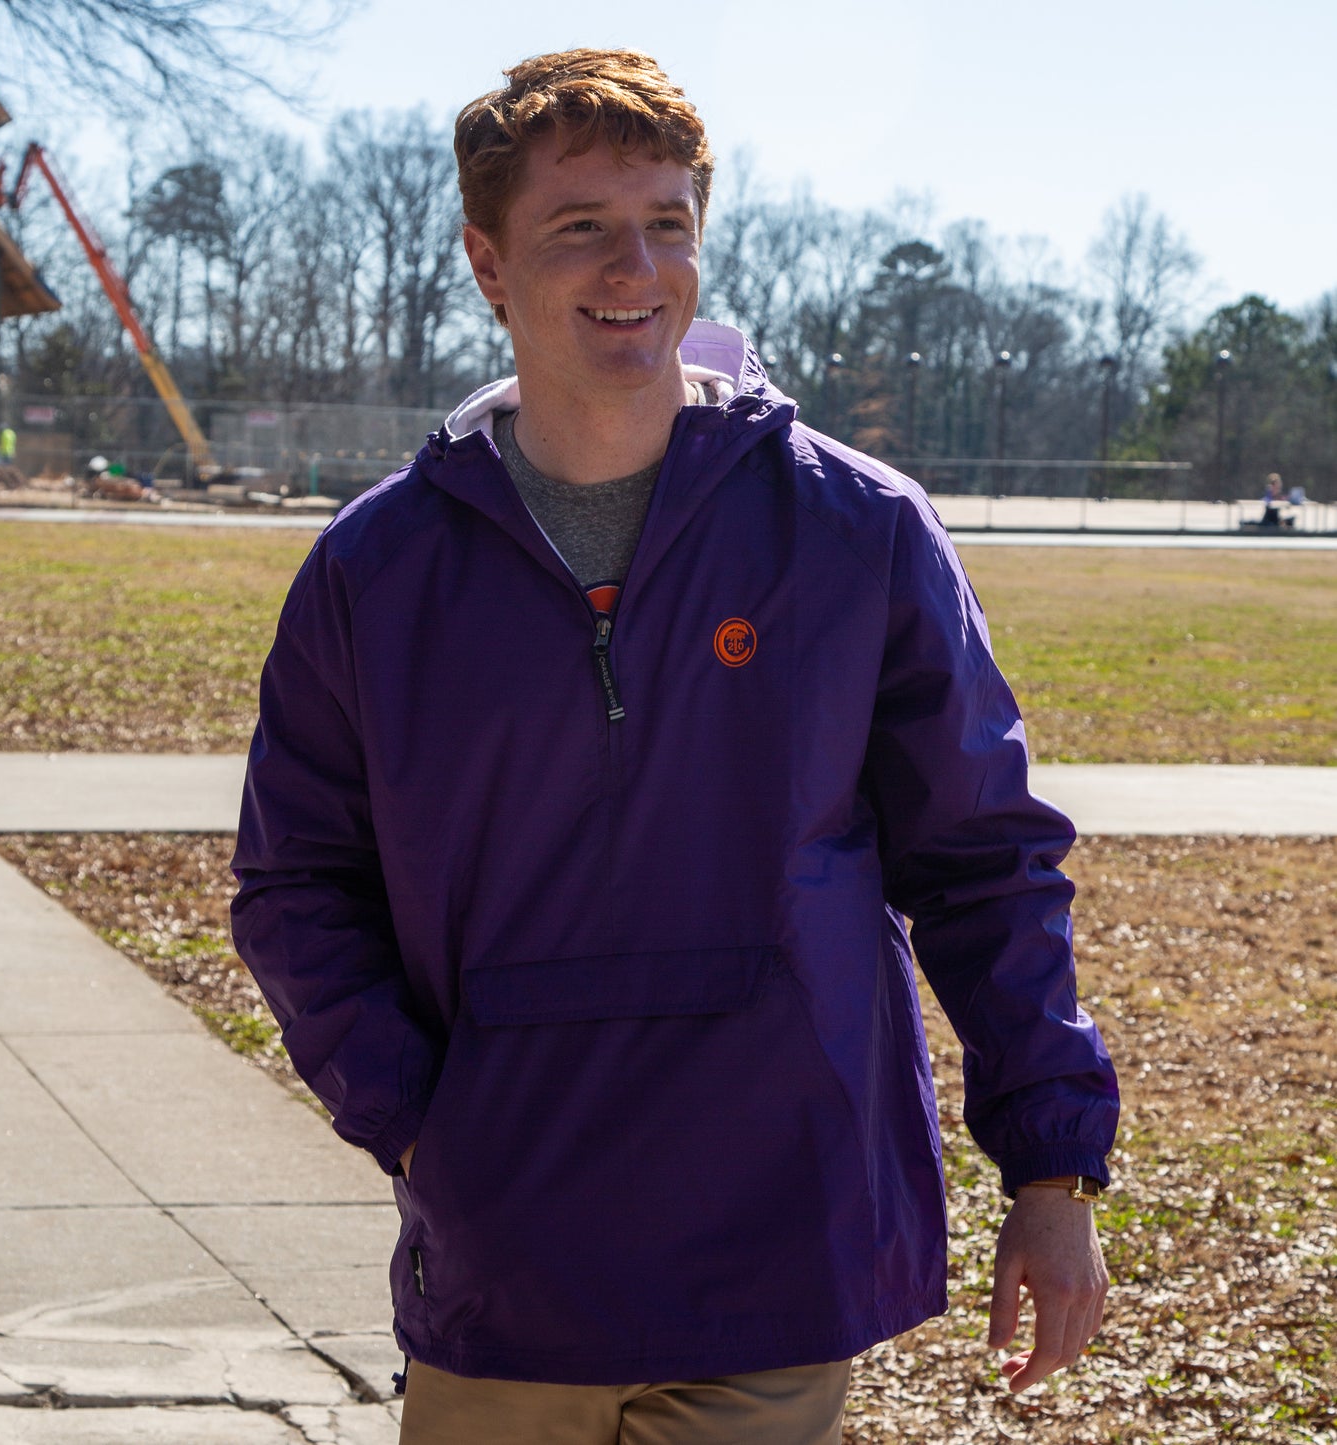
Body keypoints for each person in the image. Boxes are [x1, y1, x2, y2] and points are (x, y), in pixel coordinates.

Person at [231, 48, 1118, 1445]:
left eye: (666, 225)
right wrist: (422, 1128)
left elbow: (985, 861)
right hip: (508, 1261)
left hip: (776, 1243)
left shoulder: (855, 530)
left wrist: (1053, 1171)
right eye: (579, 225)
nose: (633, 267)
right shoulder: (378, 570)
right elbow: (296, 891)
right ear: (487, 260)